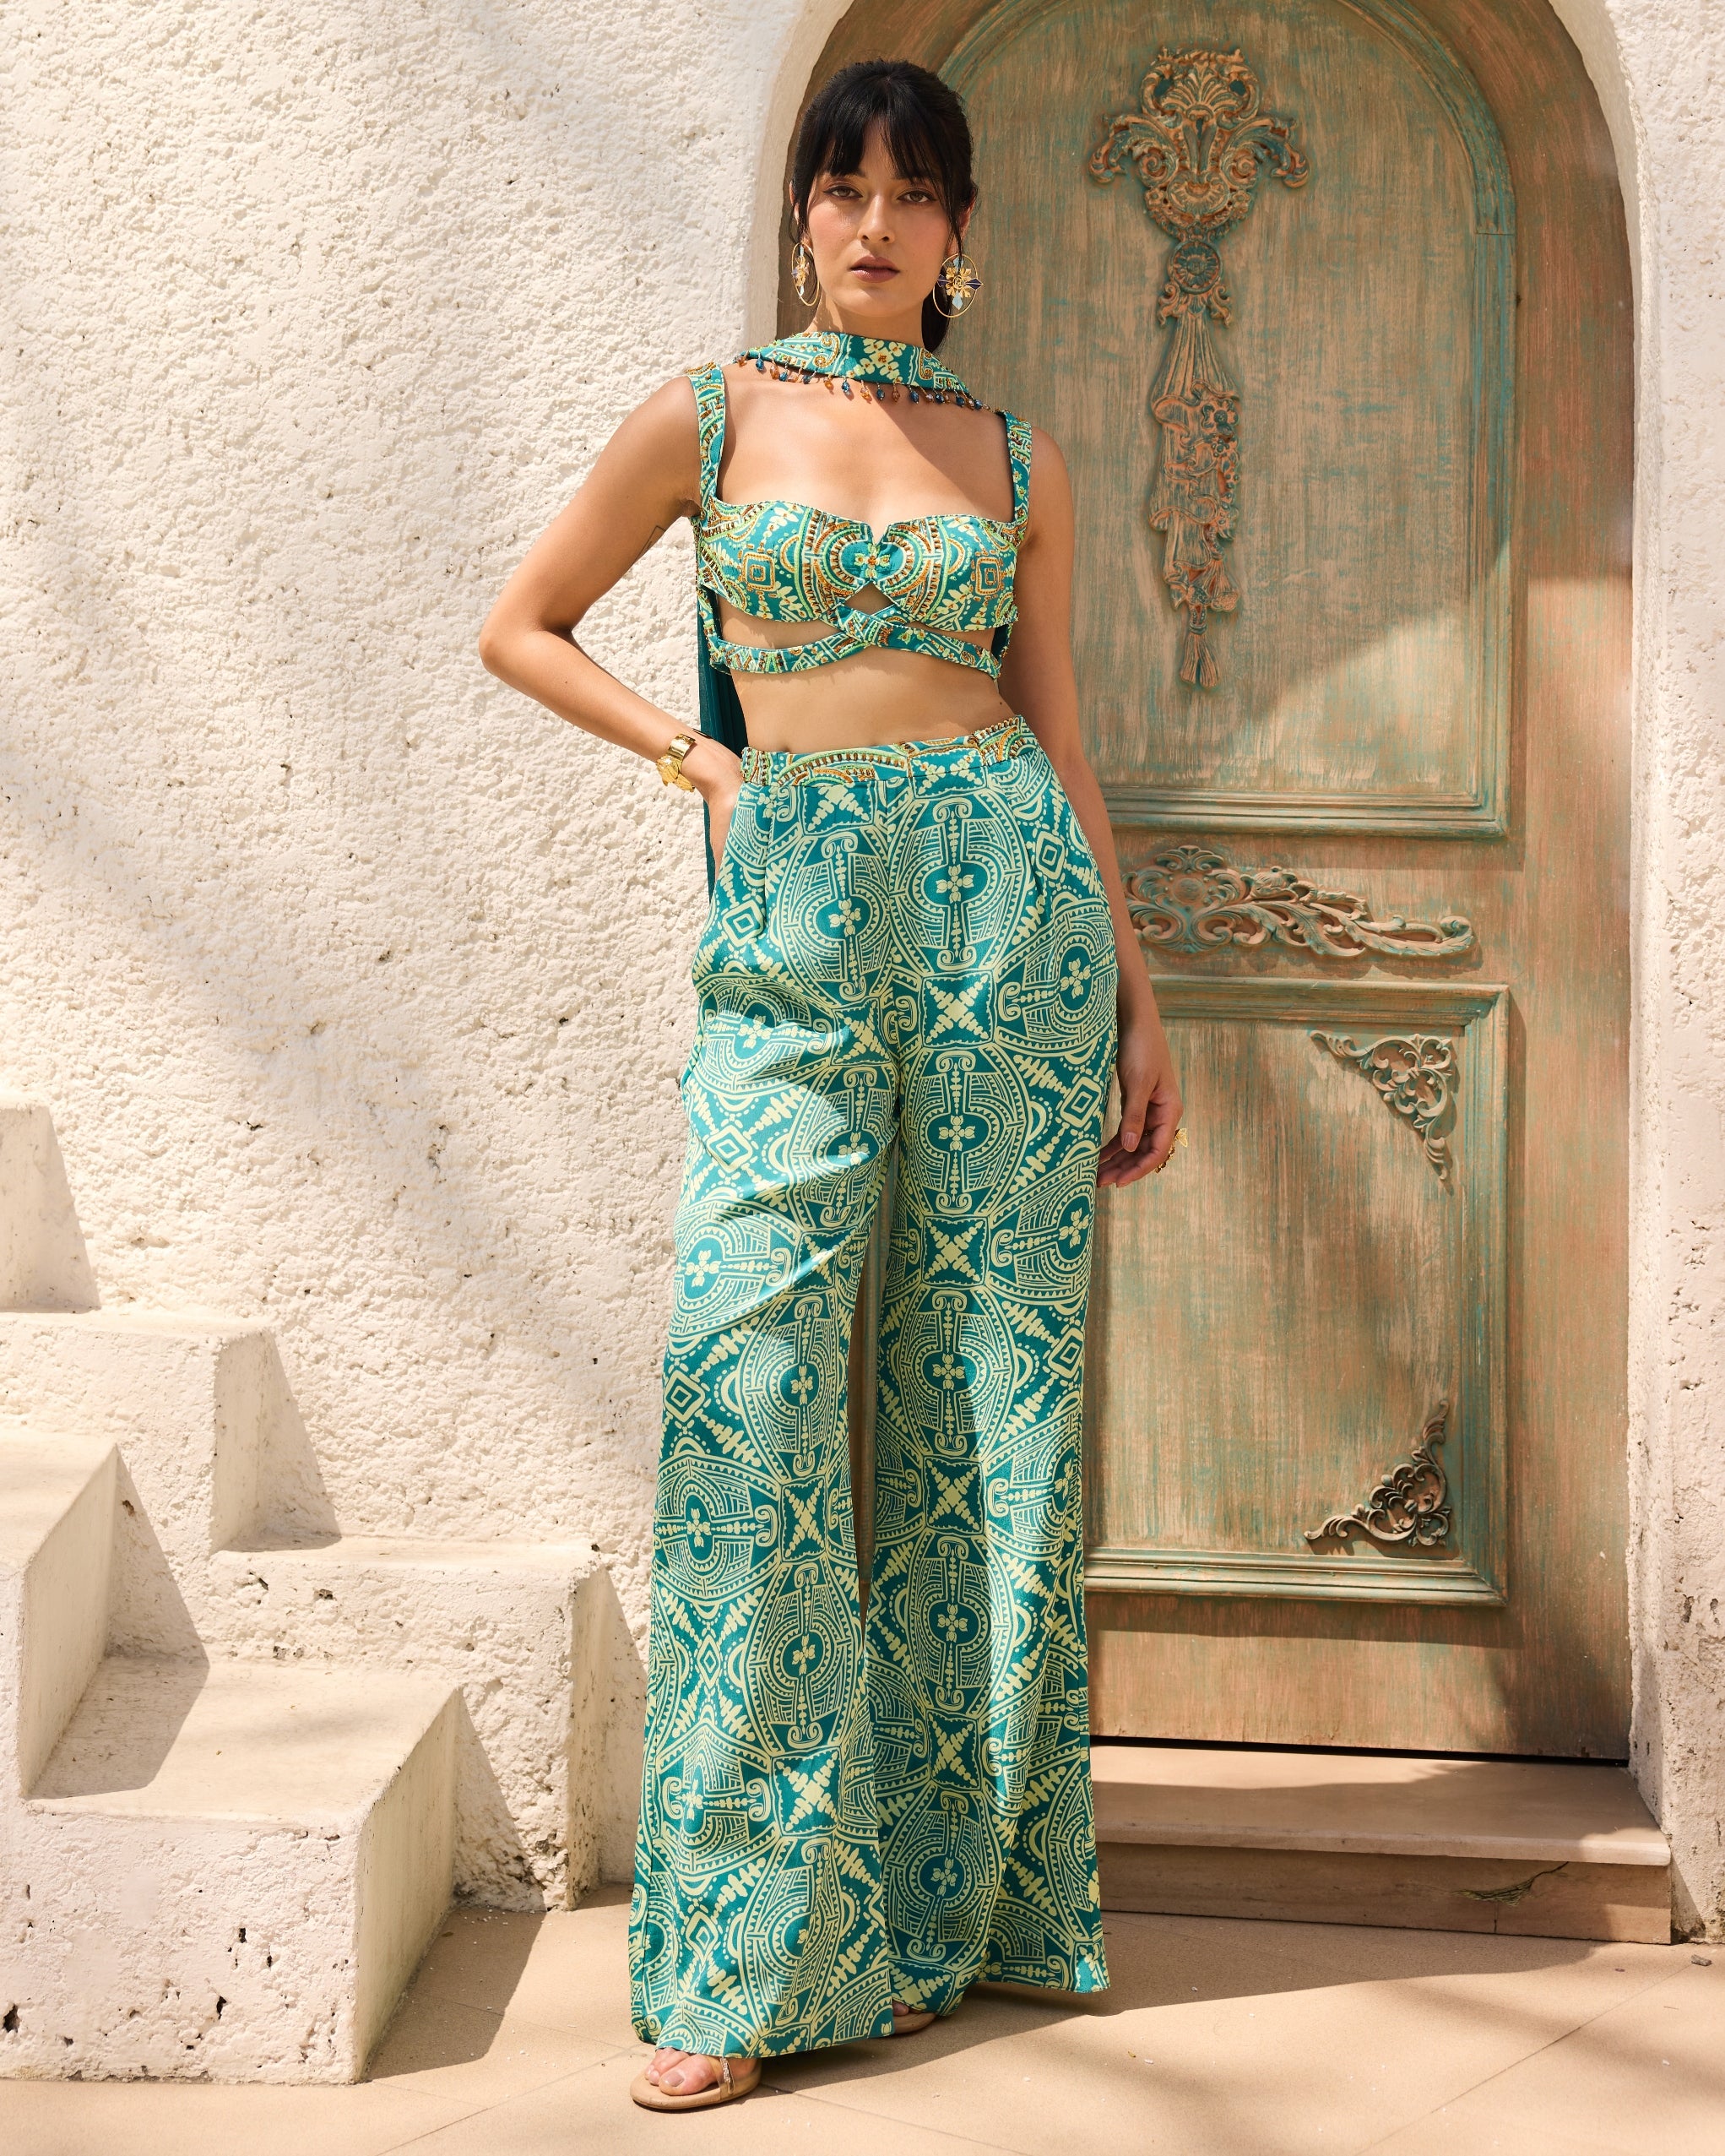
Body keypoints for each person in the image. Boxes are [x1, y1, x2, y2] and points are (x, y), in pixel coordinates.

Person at [479, 56, 1183, 2115]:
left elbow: (1060, 736)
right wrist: (695, 759)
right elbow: (522, 624)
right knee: (752, 1385)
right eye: (842, 185)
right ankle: (742, 1951)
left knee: (984, 1409)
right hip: (793, 907)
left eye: (913, 191)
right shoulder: (706, 418)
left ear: (960, 231)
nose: (875, 222)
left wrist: (1139, 1002)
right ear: (801, 213)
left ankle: (941, 1913)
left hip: (1004, 909)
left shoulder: (1015, 457)